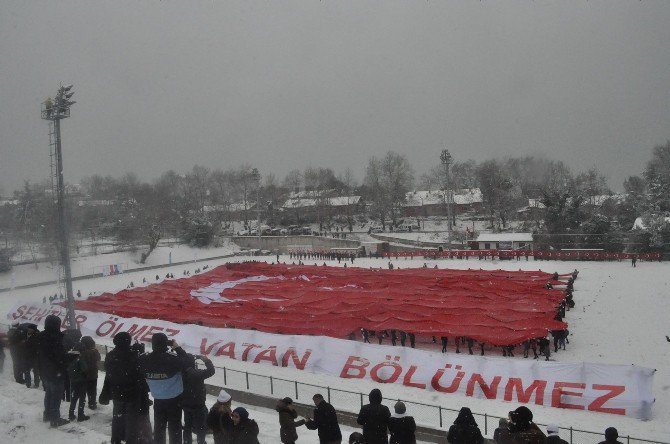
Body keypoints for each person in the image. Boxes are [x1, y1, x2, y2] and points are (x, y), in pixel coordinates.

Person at [139, 334, 191, 444]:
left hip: (157, 398)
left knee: (159, 427)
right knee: (175, 427)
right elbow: (187, 362)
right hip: (174, 399)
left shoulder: (144, 359)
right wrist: (177, 348)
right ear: (165, 343)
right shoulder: (172, 359)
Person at [105, 331, 152, 444]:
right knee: (132, 423)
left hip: (117, 393)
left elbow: (109, 372)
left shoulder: (110, 355)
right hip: (132, 395)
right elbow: (140, 374)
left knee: (117, 419)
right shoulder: (133, 356)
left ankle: (115, 441)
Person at [37, 314, 70, 427]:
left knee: (49, 394)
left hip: (44, 371)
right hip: (56, 372)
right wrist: (70, 358)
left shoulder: (41, 336)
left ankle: (47, 415)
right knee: (56, 396)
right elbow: (59, 358)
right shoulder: (55, 338)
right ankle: (55, 419)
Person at [182, 354, 215, 444]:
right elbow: (211, 371)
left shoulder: (180, 373)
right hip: (199, 405)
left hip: (186, 405)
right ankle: (201, 441)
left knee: (187, 425)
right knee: (201, 427)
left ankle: (186, 441)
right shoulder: (197, 374)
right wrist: (205, 360)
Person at [67, 343, 90, 422]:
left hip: (73, 380)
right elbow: (85, 369)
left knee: (74, 397)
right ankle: (80, 415)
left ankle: (71, 414)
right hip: (81, 381)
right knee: (82, 398)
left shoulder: (69, 356)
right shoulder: (79, 358)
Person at [80, 336, 100, 410]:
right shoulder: (95, 351)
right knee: (93, 390)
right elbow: (99, 359)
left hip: (84, 374)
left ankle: (82, 404)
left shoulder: (82, 352)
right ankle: (92, 403)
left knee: (84, 389)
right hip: (93, 374)